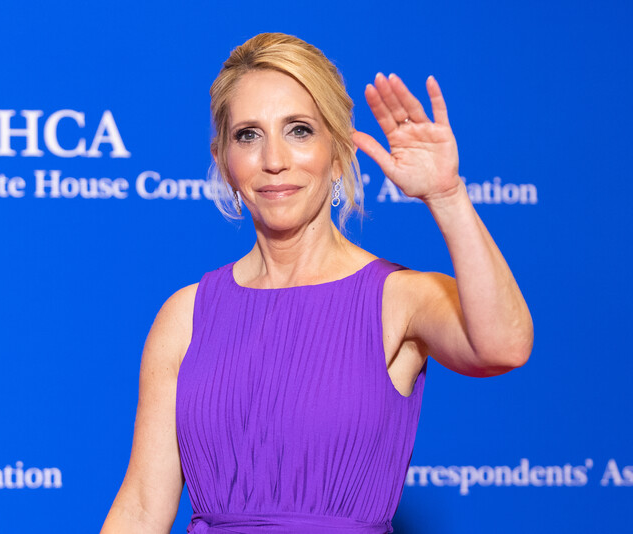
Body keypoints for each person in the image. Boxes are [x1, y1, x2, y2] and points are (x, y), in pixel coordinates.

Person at [101, 32, 533, 533]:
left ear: (338, 147)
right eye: (248, 135)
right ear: (223, 159)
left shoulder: (398, 298)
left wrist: (447, 196)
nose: (274, 159)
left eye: (299, 130)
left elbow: (504, 346)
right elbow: (141, 506)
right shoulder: (186, 315)